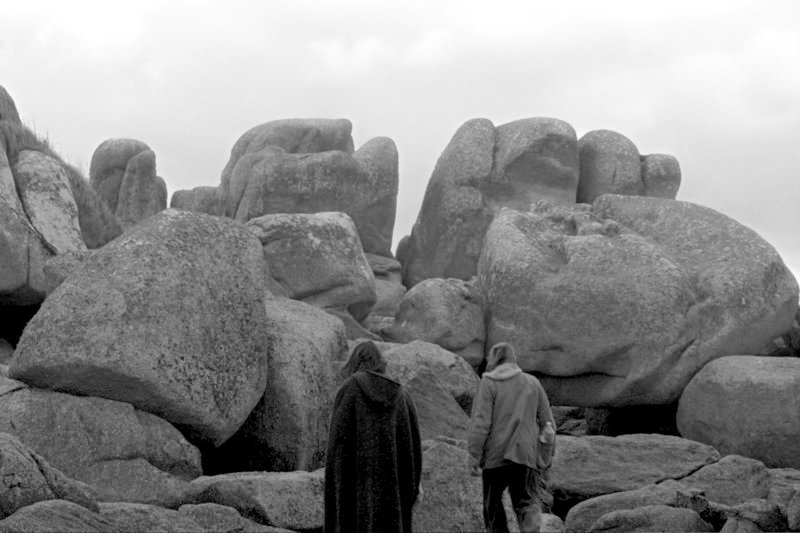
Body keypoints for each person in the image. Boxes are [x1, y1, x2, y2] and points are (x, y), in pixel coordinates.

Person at [324, 340, 423, 533]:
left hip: (354, 492)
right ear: (380, 363)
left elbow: (335, 447)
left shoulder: (349, 389)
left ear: (355, 362)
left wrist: (335, 490)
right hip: (392, 494)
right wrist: (413, 486)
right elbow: (414, 447)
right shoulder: (402, 395)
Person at [467, 342, 556, 533]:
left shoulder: (488, 383)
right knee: (527, 502)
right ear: (513, 359)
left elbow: (481, 423)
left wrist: (473, 455)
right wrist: (545, 459)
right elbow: (548, 425)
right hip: (525, 453)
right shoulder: (533, 383)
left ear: (493, 360)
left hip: (495, 456)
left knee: (492, 506)